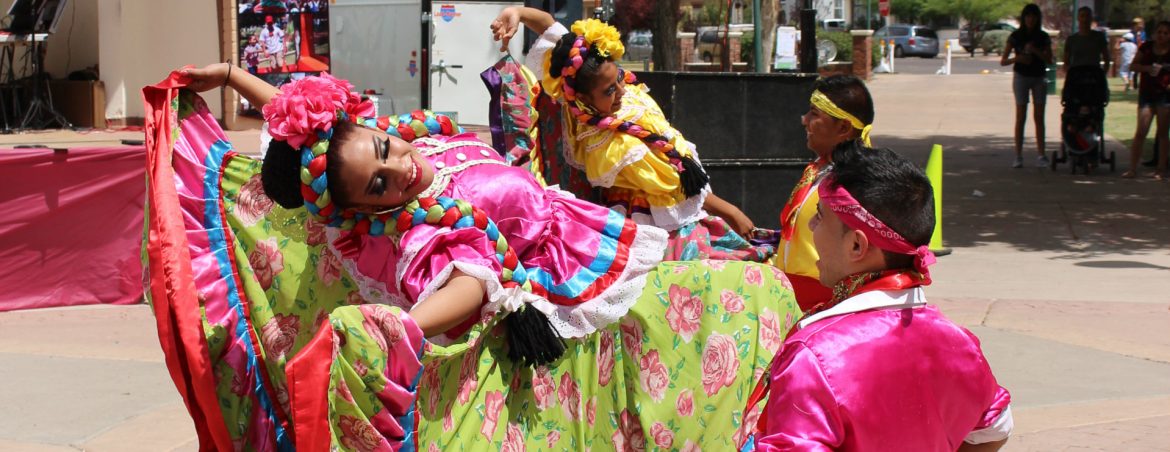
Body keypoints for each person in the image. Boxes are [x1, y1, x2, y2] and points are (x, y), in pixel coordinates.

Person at [146, 63, 801, 450]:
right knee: (740, 312)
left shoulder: (401, 144)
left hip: (597, 255)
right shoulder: (420, 230)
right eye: (379, 182)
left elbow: (315, 130)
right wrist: (411, 325)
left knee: (747, 291)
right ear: (364, 208)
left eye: (384, 147)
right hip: (581, 311)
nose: (398, 167)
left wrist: (236, 76)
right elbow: (470, 280)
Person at [745, 141, 1013, 451]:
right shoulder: (960, 343)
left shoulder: (815, 355)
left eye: (819, 216)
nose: (811, 227)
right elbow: (995, 428)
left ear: (857, 246)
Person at [491, 8, 772, 262]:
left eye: (619, 78)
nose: (621, 91)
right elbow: (676, 184)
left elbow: (552, 29)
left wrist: (516, 11)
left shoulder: (589, 77)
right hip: (655, 228)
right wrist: (731, 211)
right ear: (581, 98)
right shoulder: (610, 144)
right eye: (609, 90)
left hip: (676, 210)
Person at [768, 75, 875, 311]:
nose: (804, 120)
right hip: (795, 300)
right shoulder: (819, 169)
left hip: (827, 306)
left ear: (843, 128)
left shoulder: (855, 182)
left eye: (814, 114)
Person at [1001, 3, 1053, 169]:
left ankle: (1041, 154)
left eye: (1033, 16)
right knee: (1021, 116)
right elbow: (1004, 60)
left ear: (1037, 18)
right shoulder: (1016, 36)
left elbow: (1050, 59)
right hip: (1021, 76)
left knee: (1039, 117)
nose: (1030, 19)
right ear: (1024, 18)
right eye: (1027, 16)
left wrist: (1035, 51)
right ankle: (1018, 155)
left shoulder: (1043, 36)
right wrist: (1017, 59)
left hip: (1039, 77)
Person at [1124, 20, 1170, 179]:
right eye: (1159, 32)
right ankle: (1132, 169)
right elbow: (1133, 66)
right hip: (1147, 94)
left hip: (1165, 95)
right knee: (1141, 132)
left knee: (1163, 133)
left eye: (1166, 33)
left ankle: (1160, 169)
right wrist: (1147, 68)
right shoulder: (1146, 48)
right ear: (1154, 33)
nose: (1162, 35)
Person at [1063, 7, 1110, 74]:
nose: (1085, 19)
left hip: (1094, 75)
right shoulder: (1071, 40)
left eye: (1088, 16)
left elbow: (1106, 59)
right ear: (1078, 18)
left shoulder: (1099, 37)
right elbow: (1066, 62)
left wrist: (1102, 75)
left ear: (1091, 18)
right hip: (1077, 76)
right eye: (1082, 16)